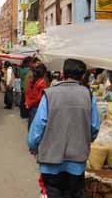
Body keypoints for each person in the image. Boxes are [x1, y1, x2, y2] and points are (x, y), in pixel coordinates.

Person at [28, 59, 100, 198]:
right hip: (77, 162)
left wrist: (33, 145)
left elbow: (38, 127)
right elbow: (94, 127)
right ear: (83, 75)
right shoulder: (89, 95)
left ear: (63, 73)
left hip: (50, 161)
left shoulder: (49, 94)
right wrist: (84, 139)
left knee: (53, 192)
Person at [25, 63, 48, 131]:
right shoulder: (42, 82)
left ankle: (30, 139)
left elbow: (27, 93)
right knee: (36, 127)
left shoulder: (33, 81)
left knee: (31, 124)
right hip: (37, 106)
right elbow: (39, 98)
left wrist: (28, 102)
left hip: (31, 106)